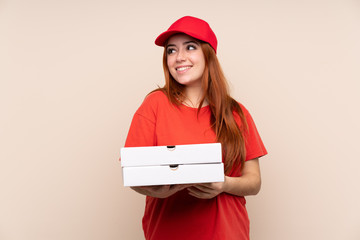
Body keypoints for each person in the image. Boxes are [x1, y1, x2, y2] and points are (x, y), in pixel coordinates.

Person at [124, 16, 267, 240]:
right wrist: (156, 190)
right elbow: (133, 172)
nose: (179, 58)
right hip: (168, 232)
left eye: (190, 47)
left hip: (228, 233)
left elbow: (254, 181)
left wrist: (224, 183)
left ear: (208, 54)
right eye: (171, 51)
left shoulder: (236, 113)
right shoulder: (155, 105)